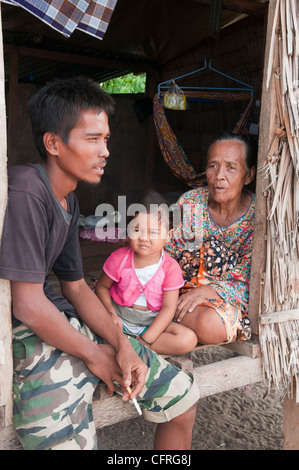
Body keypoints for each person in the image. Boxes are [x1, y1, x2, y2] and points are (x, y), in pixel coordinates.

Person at [0, 77, 199, 450]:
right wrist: (95, 354)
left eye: (105, 139)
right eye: (92, 139)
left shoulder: (68, 200)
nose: (105, 150)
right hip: (21, 331)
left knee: (182, 400)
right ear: (53, 143)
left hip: (58, 319)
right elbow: (26, 304)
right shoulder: (27, 189)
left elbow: (75, 286)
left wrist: (120, 344)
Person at [165, 133, 256, 345]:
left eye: (231, 167)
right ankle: (165, 315)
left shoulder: (258, 216)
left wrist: (212, 290)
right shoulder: (190, 202)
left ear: (249, 176)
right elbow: (165, 254)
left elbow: (252, 274)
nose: (219, 176)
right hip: (176, 293)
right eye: (213, 166)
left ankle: (162, 319)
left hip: (226, 299)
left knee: (211, 326)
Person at [95, 190, 198, 355]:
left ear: (168, 235)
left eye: (153, 232)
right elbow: (101, 287)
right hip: (118, 319)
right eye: (137, 229)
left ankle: (134, 347)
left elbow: (168, 308)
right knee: (87, 317)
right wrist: (111, 314)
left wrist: (146, 339)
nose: (143, 237)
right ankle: (124, 344)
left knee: (187, 339)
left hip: (151, 324)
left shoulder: (170, 268)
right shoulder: (119, 258)